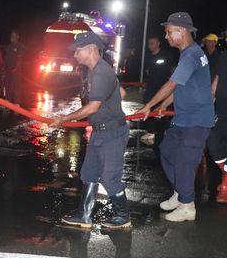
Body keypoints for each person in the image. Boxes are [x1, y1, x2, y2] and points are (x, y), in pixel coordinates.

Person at [137, 12, 215, 222]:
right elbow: (179, 87)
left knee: (184, 162)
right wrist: (163, 105)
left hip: (196, 120)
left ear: (182, 31)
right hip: (183, 119)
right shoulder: (189, 53)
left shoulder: (191, 54)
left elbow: (171, 83)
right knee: (167, 150)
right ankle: (181, 193)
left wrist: (149, 105)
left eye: (169, 32)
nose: (166, 36)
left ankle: (187, 206)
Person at [50, 32, 131, 229]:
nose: (75, 54)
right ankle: (84, 216)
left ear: (92, 49)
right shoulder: (96, 71)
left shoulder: (101, 72)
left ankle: (123, 216)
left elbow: (93, 107)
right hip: (99, 131)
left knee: (109, 178)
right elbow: (121, 92)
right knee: (89, 173)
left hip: (111, 133)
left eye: (79, 49)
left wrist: (64, 118)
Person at [140, 36, 175, 143]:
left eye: (152, 43)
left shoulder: (166, 55)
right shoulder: (148, 57)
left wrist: (172, 83)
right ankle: (150, 131)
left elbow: (173, 68)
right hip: (151, 85)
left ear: (158, 43)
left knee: (165, 107)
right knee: (147, 104)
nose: (150, 45)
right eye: (149, 43)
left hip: (163, 85)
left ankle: (168, 130)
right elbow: (147, 70)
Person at [207, 47, 227, 203]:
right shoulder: (223, 56)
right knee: (211, 140)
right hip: (220, 111)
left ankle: (225, 185)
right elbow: (217, 80)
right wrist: (209, 100)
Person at [3, 30, 25, 104]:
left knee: (16, 87)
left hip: (16, 70)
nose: (11, 37)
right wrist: (4, 68)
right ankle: (7, 102)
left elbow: (20, 59)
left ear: (17, 37)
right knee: (7, 86)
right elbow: (6, 58)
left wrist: (15, 68)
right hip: (8, 70)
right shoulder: (9, 47)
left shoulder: (20, 46)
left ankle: (17, 104)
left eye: (13, 36)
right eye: (11, 36)